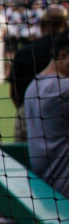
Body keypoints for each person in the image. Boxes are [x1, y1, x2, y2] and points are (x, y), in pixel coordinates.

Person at [10, 6, 68, 140]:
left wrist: (27, 109)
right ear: (65, 25)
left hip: (28, 114)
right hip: (63, 116)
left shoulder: (25, 51)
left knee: (23, 158)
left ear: (41, 25)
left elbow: (14, 92)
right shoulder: (64, 54)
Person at [23, 31, 69, 198]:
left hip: (47, 189)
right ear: (62, 55)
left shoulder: (34, 84)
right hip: (63, 194)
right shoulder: (62, 88)